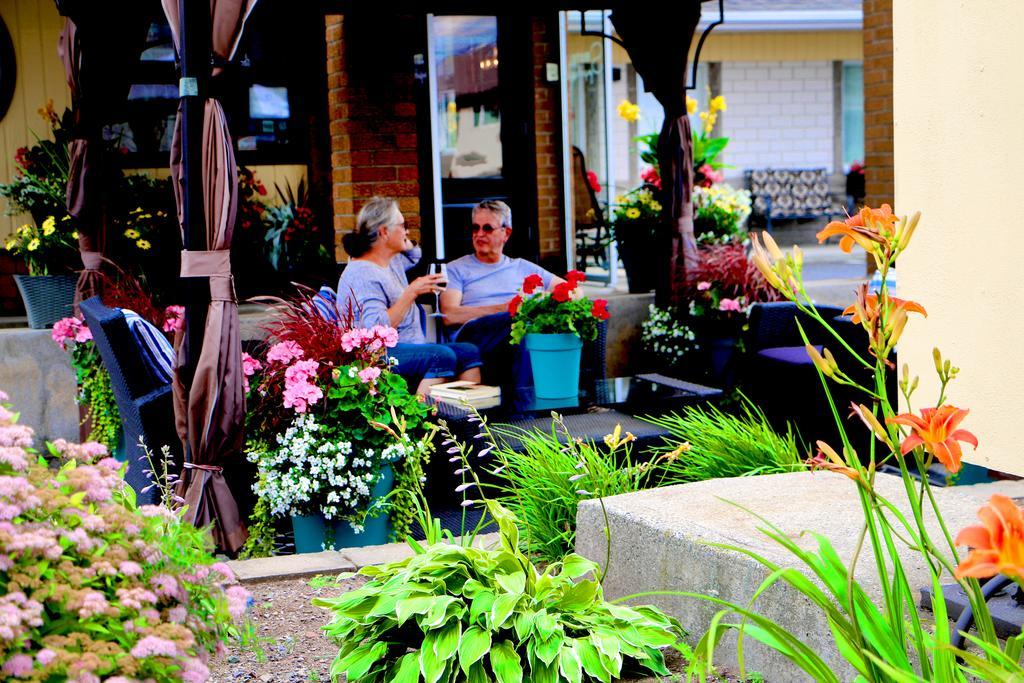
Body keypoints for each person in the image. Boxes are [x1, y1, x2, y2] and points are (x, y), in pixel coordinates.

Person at [337, 196, 482, 395]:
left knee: (468, 352)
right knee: (442, 356)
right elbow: (374, 333)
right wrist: (412, 292)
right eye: (403, 225)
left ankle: (469, 419)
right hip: (376, 355)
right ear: (384, 232)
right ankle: (418, 419)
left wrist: (405, 243)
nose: (407, 231)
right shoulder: (362, 273)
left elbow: (415, 255)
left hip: (410, 345)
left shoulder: (391, 260)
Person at [440, 199, 565, 386]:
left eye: (487, 228)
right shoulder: (456, 269)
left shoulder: (522, 267)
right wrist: (505, 309)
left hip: (515, 331)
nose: (479, 234)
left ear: (506, 233)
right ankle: (524, 411)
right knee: (519, 324)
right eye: (475, 228)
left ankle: (586, 400)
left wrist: (542, 301)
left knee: (577, 321)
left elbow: (571, 291)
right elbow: (449, 314)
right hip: (475, 335)